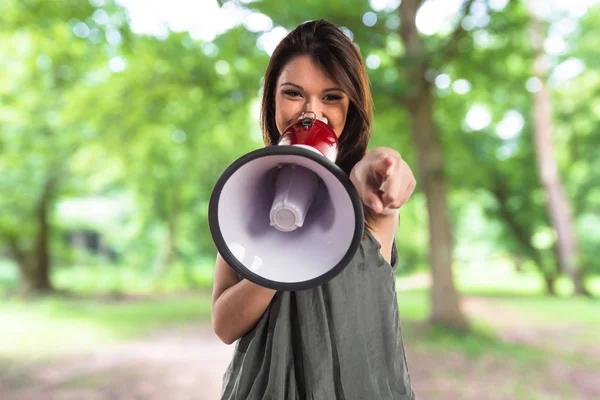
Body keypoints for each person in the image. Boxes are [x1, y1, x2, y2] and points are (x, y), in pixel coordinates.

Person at [211, 19, 417, 400]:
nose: (311, 112)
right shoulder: (244, 191)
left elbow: (382, 166)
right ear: (271, 97)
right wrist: (279, 253)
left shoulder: (367, 196)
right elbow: (224, 326)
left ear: (351, 107)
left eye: (331, 97)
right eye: (293, 93)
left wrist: (388, 164)